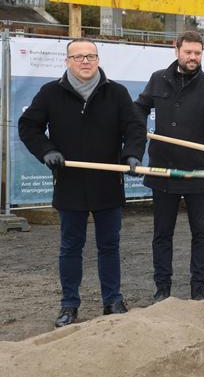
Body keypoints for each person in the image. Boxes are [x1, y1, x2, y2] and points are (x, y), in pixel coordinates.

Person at [19, 38, 145, 327]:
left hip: (107, 182)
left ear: (98, 60)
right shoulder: (51, 93)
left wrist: (132, 155)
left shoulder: (117, 93)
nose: (85, 61)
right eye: (78, 57)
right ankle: (69, 305)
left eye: (90, 56)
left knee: (109, 246)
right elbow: (28, 126)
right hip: (70, 183)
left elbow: (135, 128)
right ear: (68, 61)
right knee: (70, 247)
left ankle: (112, 300)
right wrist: (47, 150)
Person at [134, 30, 204, 302]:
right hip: (163, 170)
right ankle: (162, 289)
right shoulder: (158, 79)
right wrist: (136, 127)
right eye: (188, 52)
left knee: (201, 233)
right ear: (176, 49)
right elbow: (140, 107)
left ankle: (198, 288)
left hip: (197, 171)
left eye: (198, 53)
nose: (193, 57)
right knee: (162, 234)